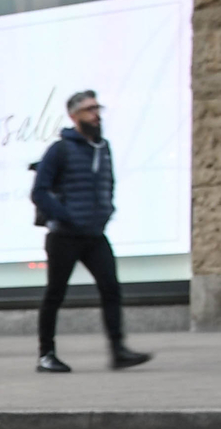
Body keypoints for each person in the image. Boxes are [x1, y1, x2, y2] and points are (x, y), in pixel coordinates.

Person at [31, 89, 151, 374]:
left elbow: (108, 182)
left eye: (97, 109)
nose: (96, 115)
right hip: (64, 236)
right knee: (55, 293)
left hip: (95, 235)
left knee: (111, 288)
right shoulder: (59, 149)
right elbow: (39, 191)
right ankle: (46, 354)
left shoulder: (103, 147)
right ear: (74, 116)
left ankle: (118, 350)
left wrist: (107, 210)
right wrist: (65, 215)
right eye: (89, 110)